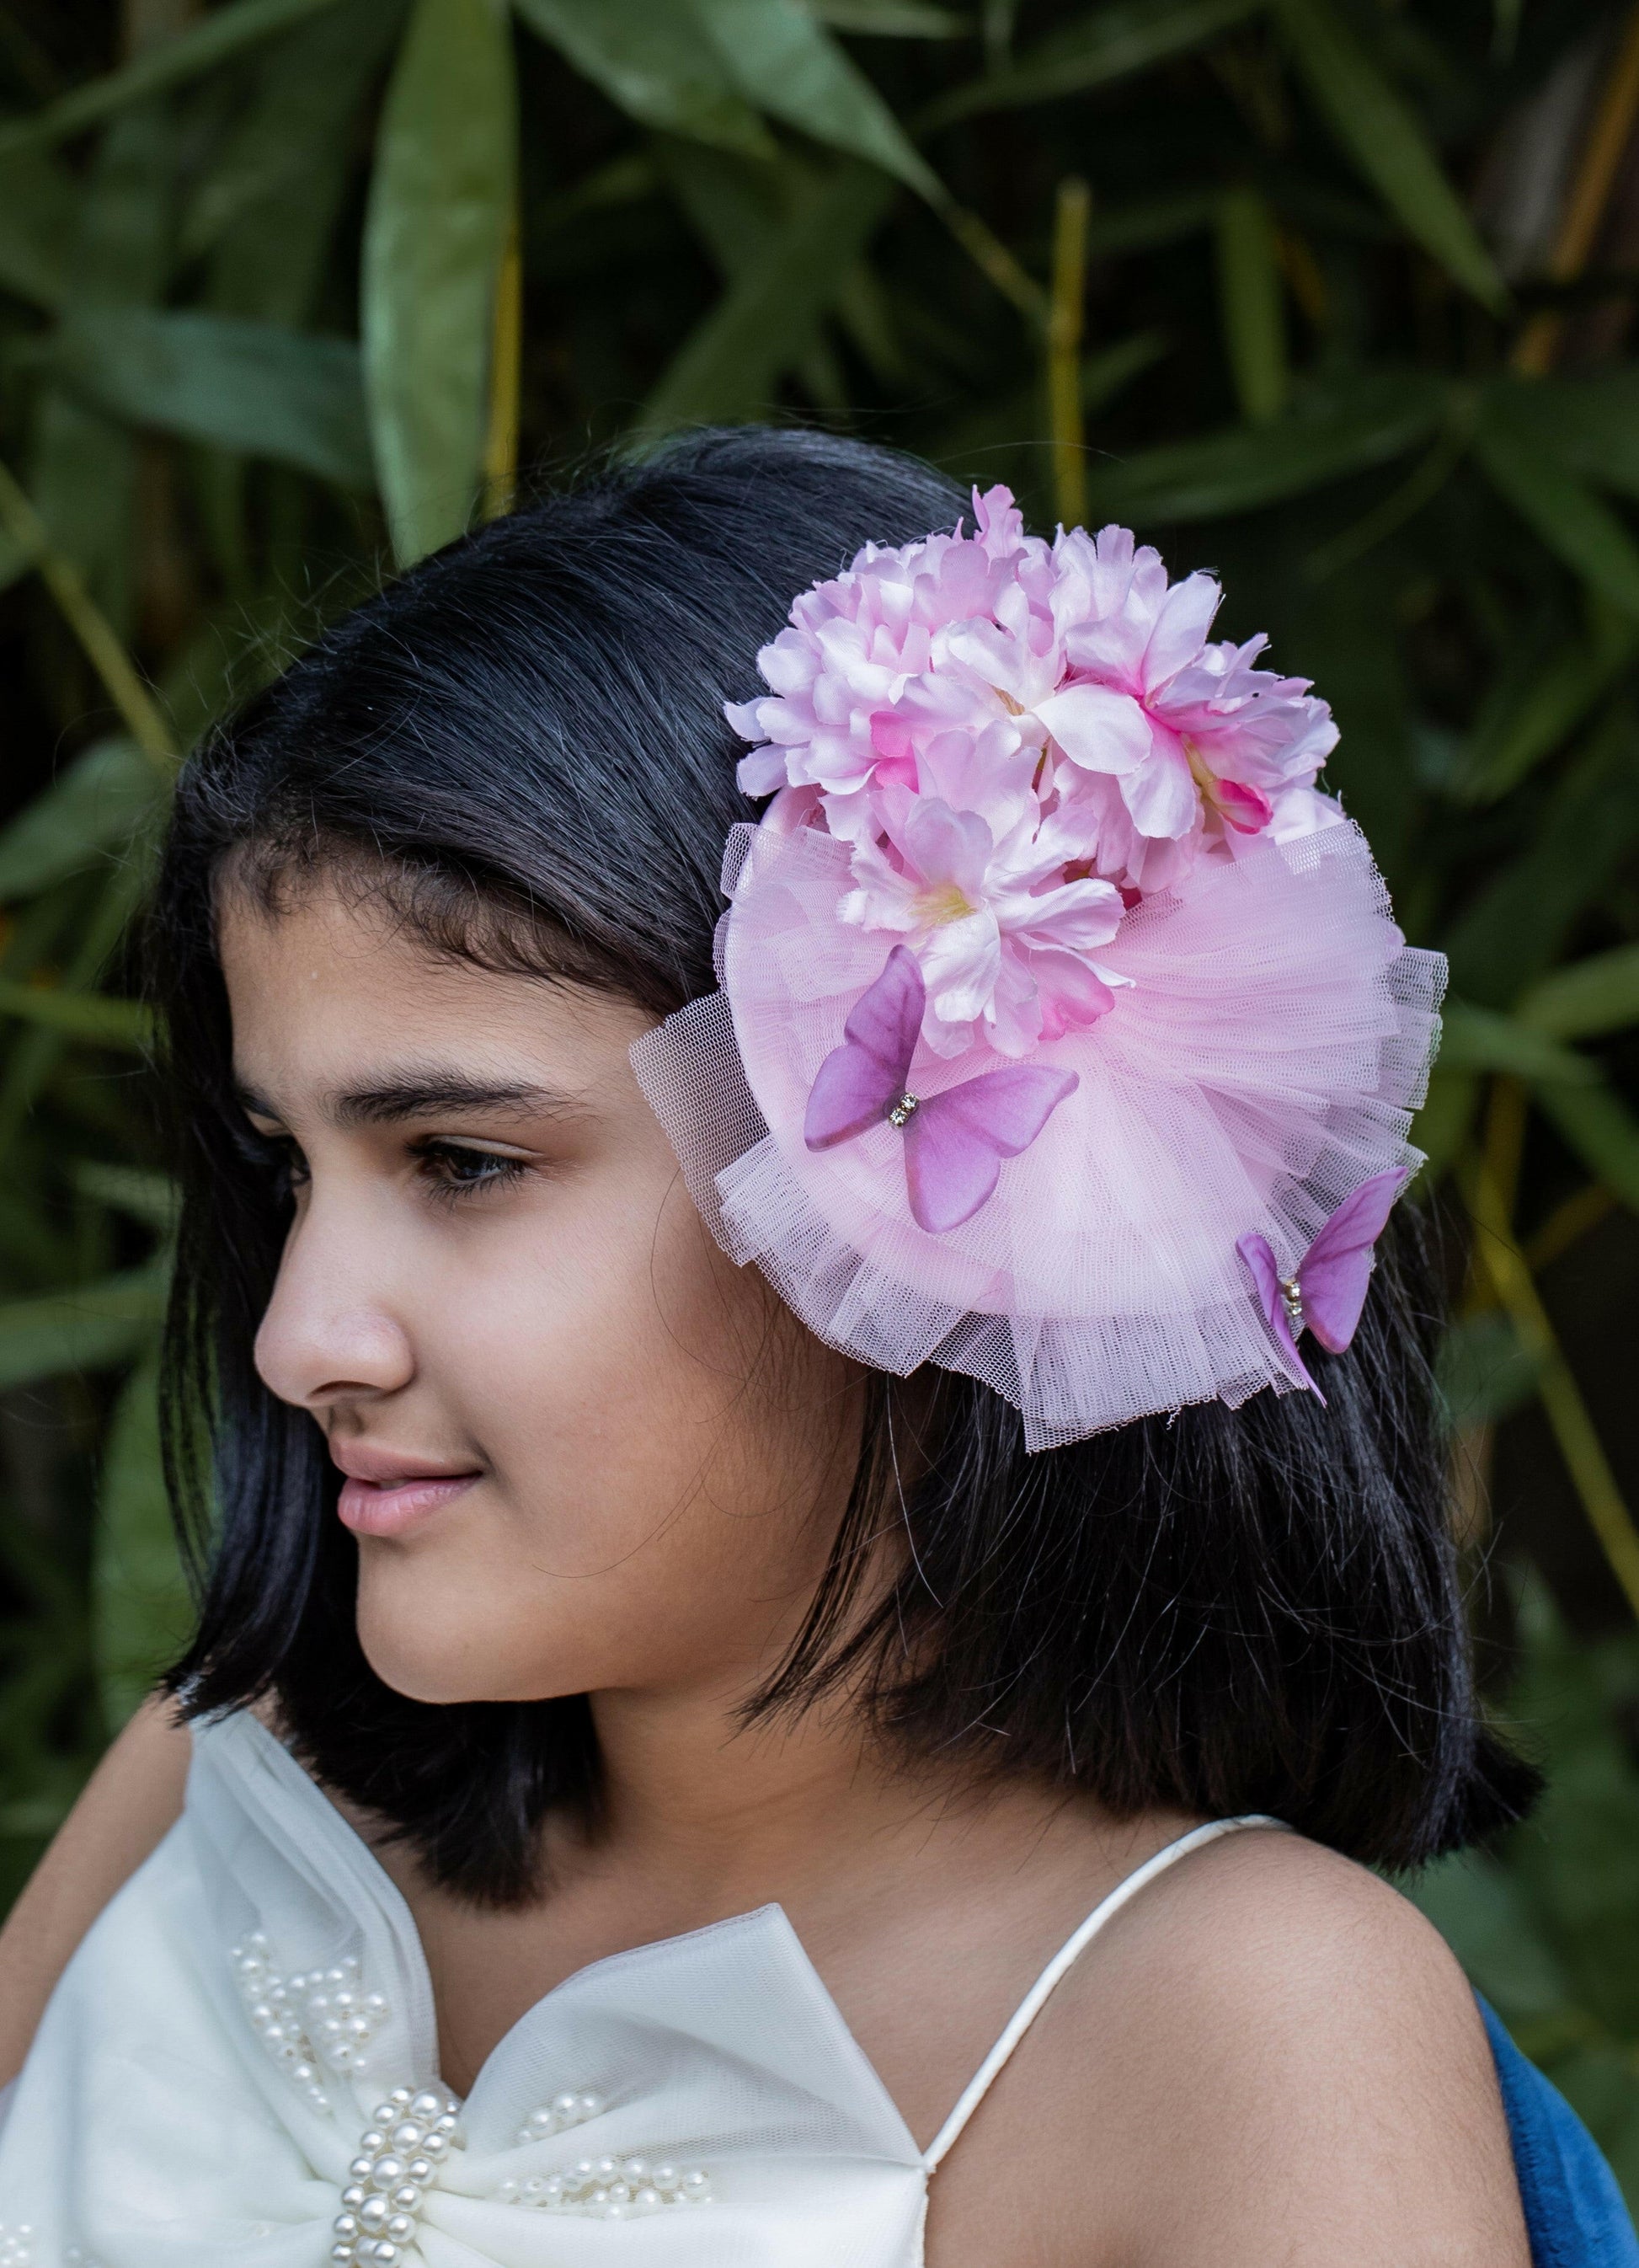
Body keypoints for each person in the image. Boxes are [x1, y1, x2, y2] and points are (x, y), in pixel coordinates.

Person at [0, 426, 1625, 2265]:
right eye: (284, 1165)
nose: (300, 1336)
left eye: (462, 1160)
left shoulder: (1236, 2029)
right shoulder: (232, 1772)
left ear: (953, 1168)